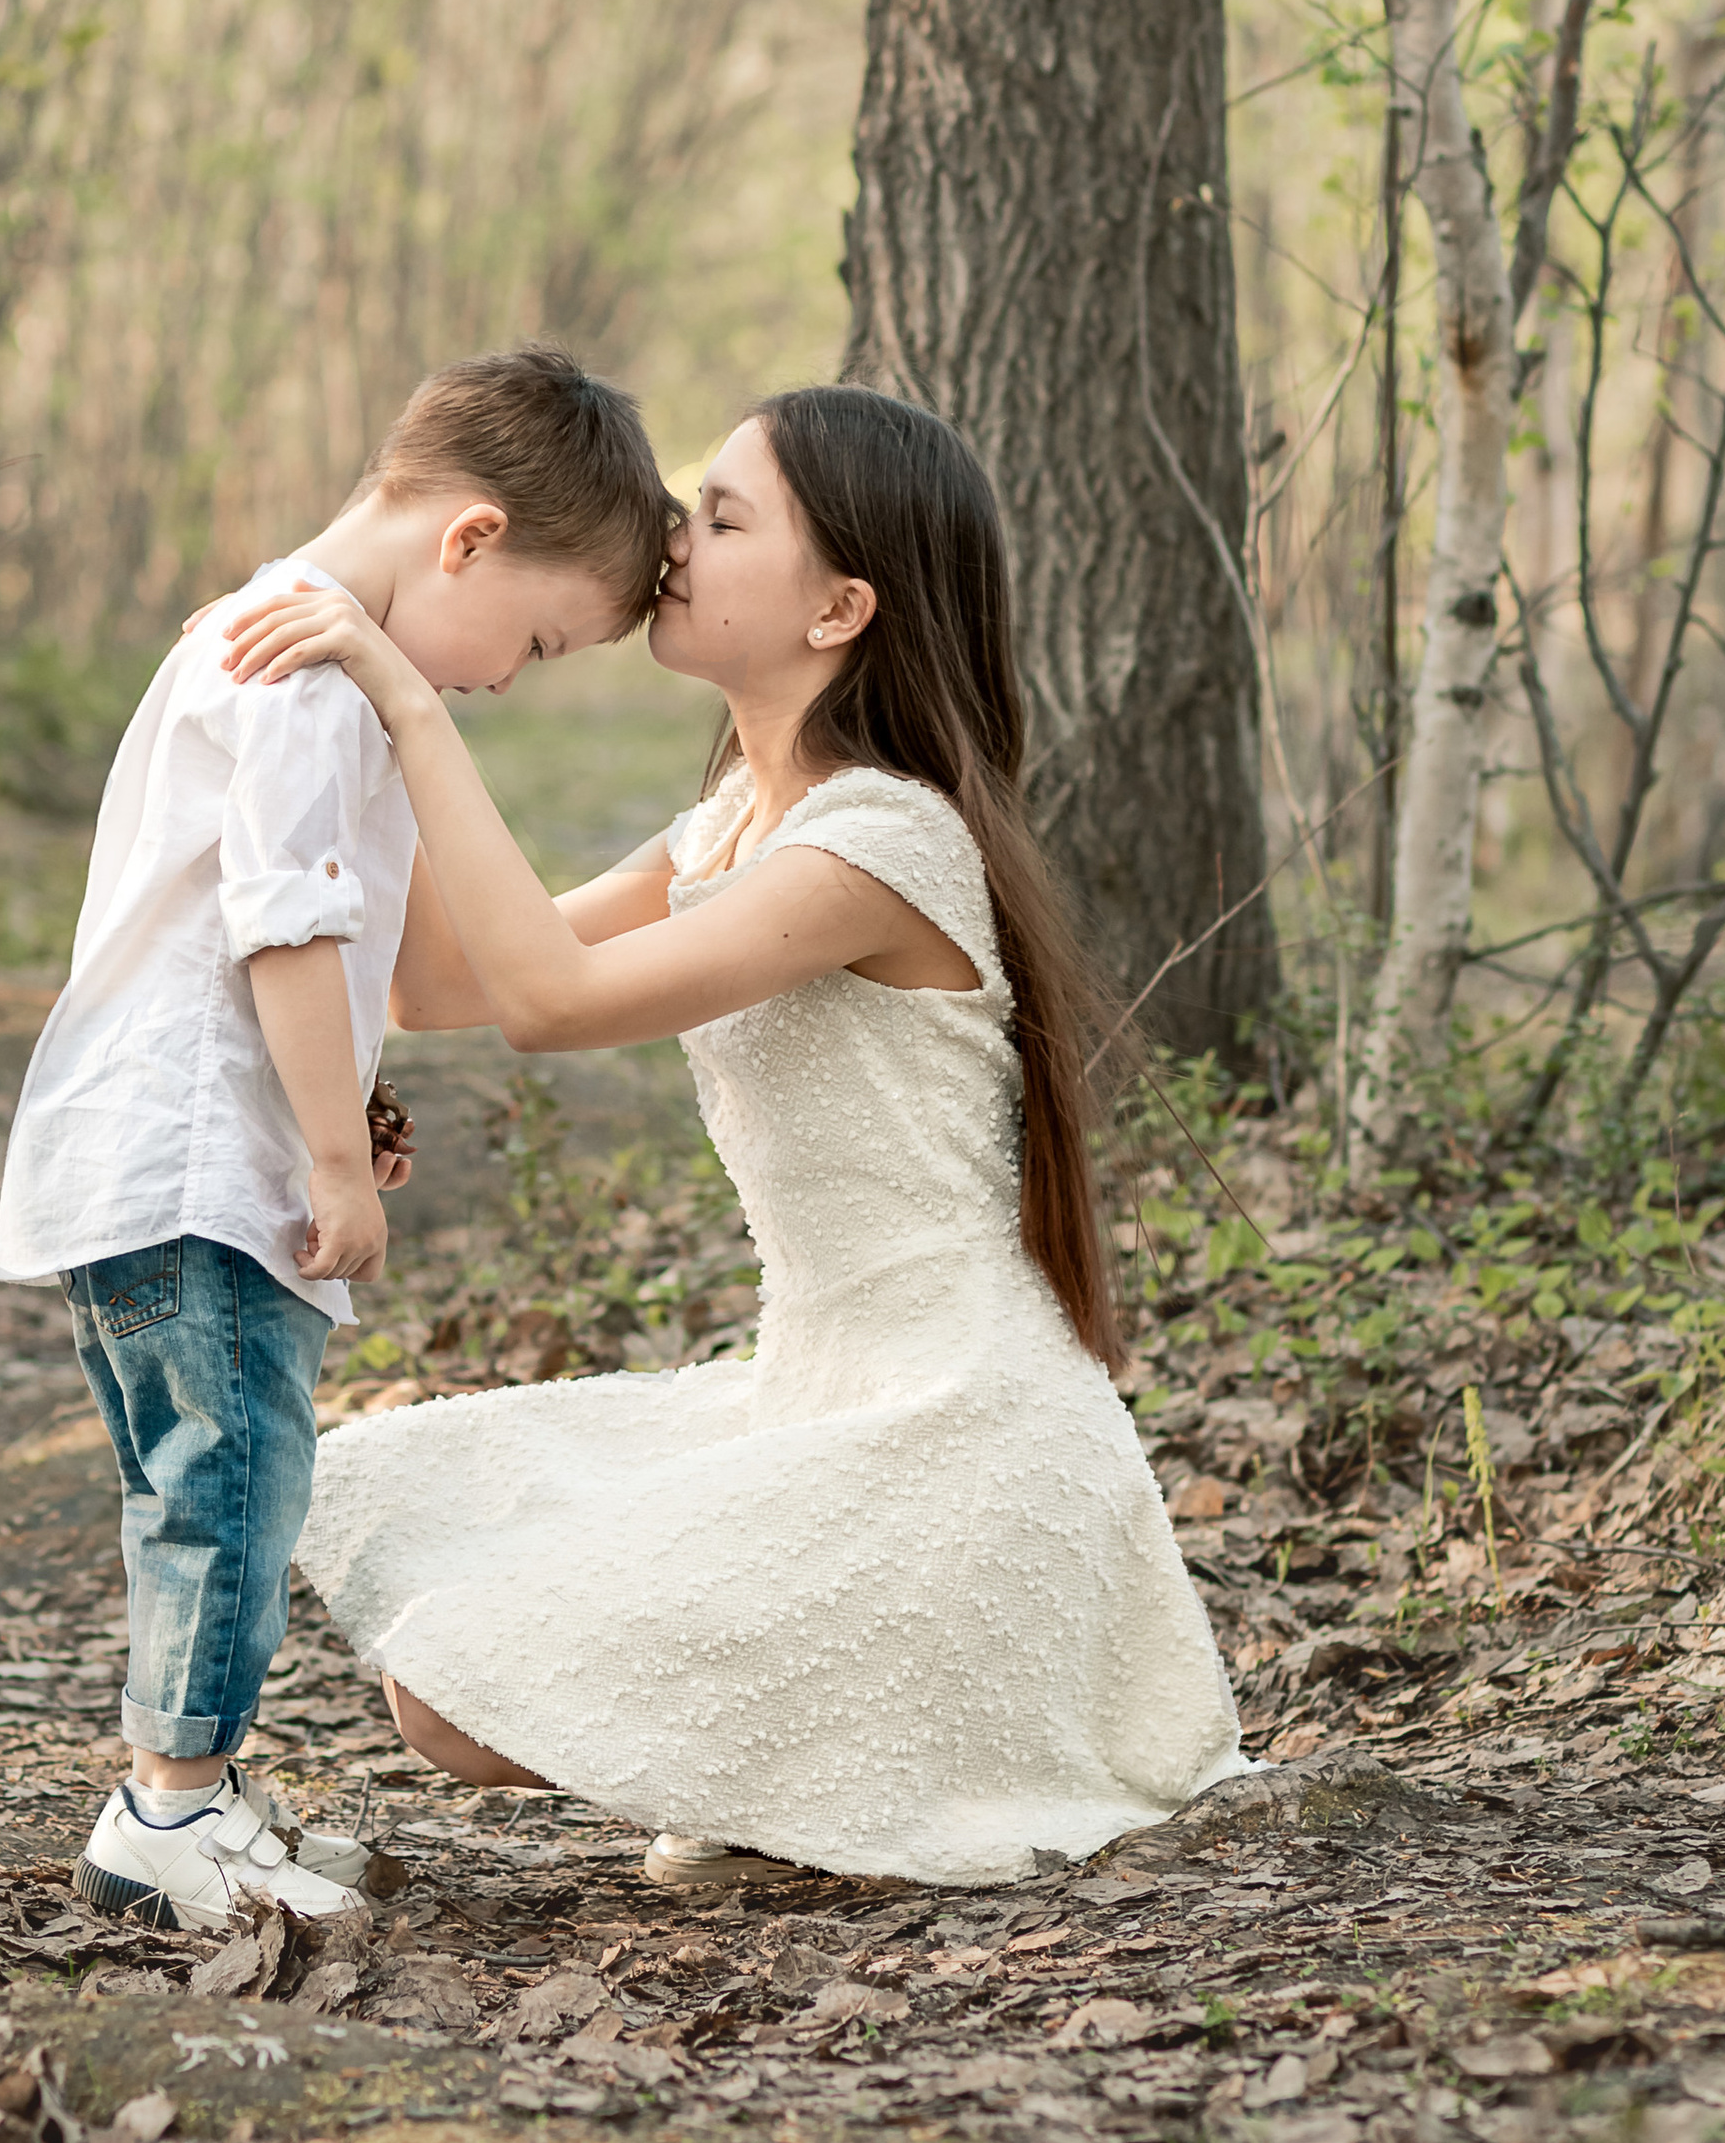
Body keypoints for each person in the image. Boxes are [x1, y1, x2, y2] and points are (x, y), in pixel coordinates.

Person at [220, 384, 1245, 1893]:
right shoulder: (727, 829)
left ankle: (871, 1762)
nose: (673, 539)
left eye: (723, 516)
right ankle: (819, 1771)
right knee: (432, 1620)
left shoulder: (881, 842)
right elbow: (436, 984)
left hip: (961, 1428)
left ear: (838, 609)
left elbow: (551, 1005)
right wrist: (386, 698)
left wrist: (412, 709)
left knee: (456, 1692)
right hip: (814, 1390)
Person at [0, 344, 680, 1934]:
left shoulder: (289, 640)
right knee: (229, 1484)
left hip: (159, 1148)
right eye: (536, 641)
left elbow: (280, 937)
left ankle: (197, 1791)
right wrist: (327, 1156)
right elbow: (285, 931)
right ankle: (168, 1816)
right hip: (196, 1169)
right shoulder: (307, 674)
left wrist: (340, 1089)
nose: (506, 679)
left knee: (203, 1478)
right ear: (470, 540)